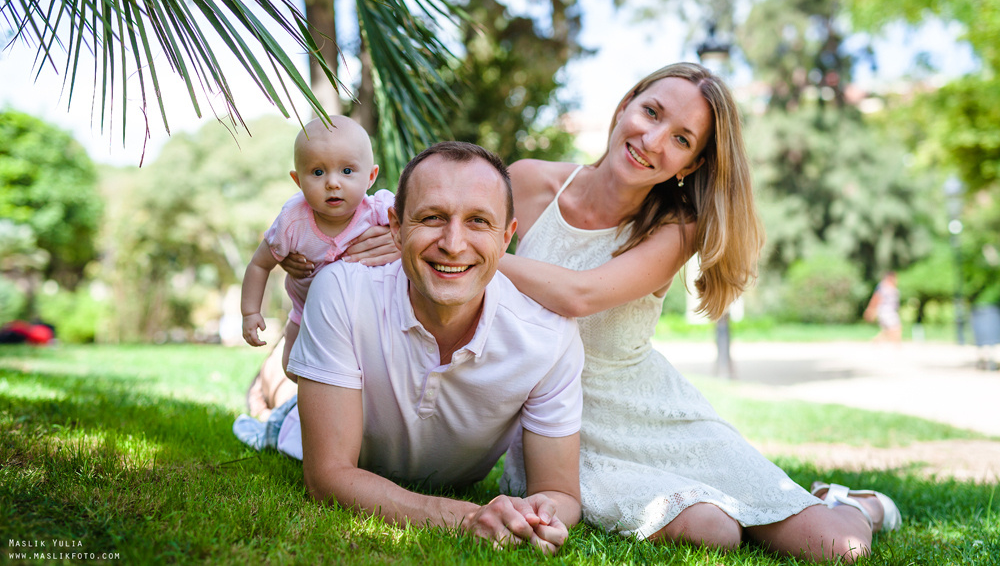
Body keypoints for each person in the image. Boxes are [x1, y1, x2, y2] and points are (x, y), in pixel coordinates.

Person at [493, 63, 901, 563]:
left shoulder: (676, 227)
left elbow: (579, 295)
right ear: (624, 106)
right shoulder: (529, 181)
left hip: (654, 415)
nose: (653, 139)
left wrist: (478, 254)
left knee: (843, 548)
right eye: (651, 112)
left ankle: (854, 504)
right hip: (556, 426)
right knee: (714, 531)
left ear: (689, 165)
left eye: (682, 139)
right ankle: (723, 506)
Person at [236, 142, 585, 553]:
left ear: (507, 236)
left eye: (478, 221)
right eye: (433, 217)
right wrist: (468, 517)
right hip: (301, 419)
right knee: (278, 407)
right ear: (396, 228)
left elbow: (561, 494)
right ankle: (266, 384)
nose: (454, 244)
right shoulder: (341, 289)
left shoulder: (550, 337)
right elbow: (327, 475)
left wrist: (539, 515)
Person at [240, 116, 394, 389]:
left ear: (371, 176)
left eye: (347, 171)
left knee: (370, 372)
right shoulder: (292, 221)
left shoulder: (379, 210)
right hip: (306, 311)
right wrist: (250, 312)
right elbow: (259, 265)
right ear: (298, 181)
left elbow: (417, 223)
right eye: (318, 172)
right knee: (291, 366)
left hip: (368, 313)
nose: (333, 183)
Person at [864, 272, 902, 343]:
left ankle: (876, 341)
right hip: (885, 311)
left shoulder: (892, 287)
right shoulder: (883, 287)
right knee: (895, 328)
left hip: (890, 311)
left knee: (889, 330)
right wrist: (870, 310)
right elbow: (876, 298)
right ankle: (897, 346)